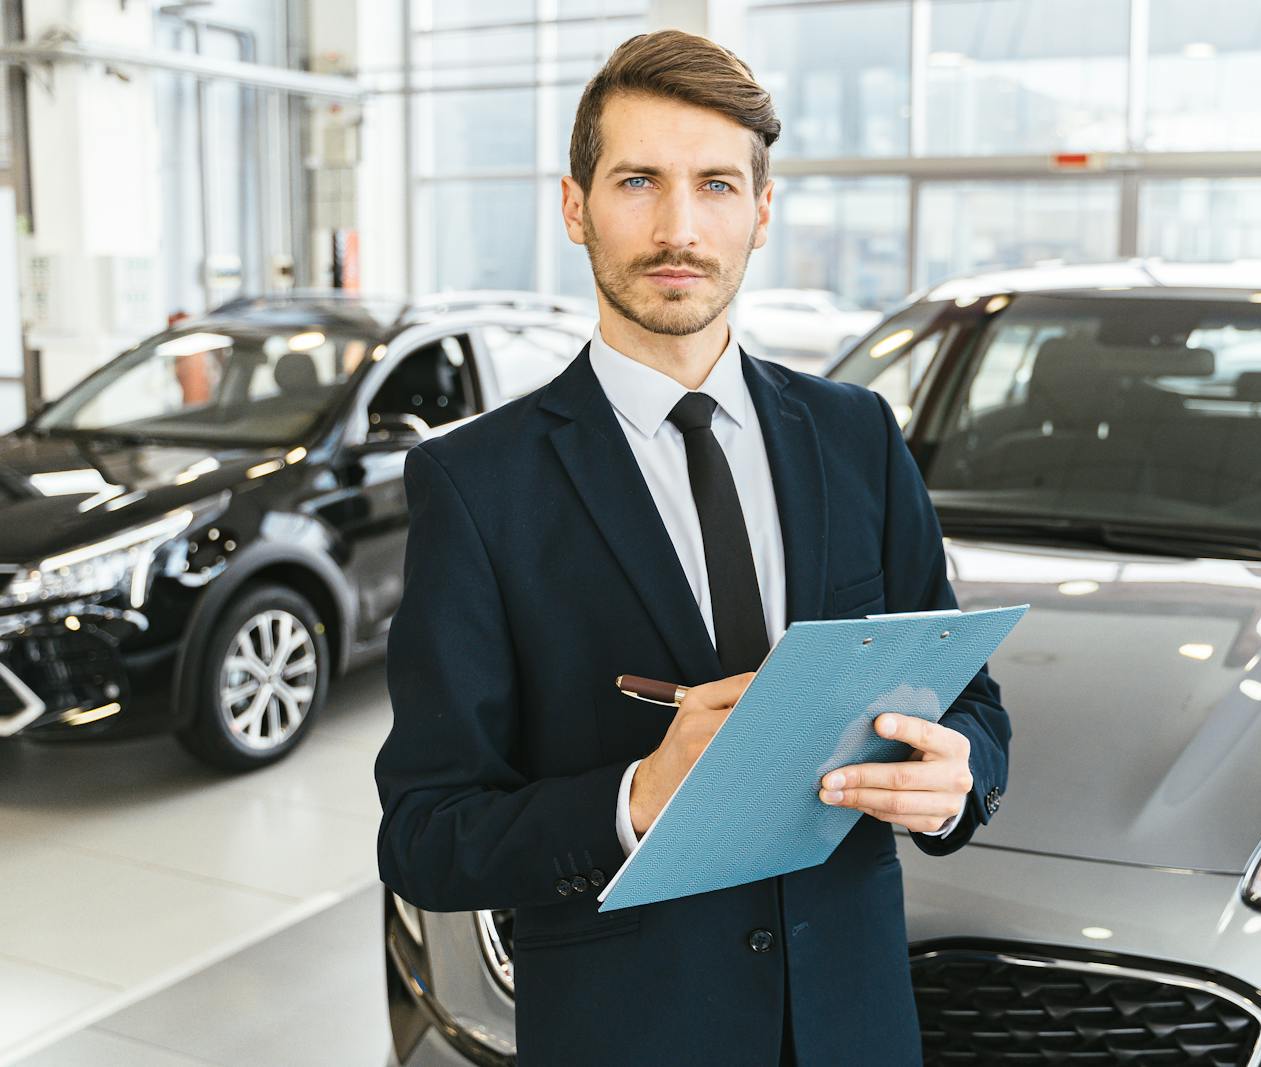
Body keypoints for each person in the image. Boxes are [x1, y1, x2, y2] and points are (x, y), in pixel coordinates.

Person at [373, 28, 1010, 1066]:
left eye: (715, 184)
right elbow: (427, 837)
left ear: (759, 213)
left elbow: (973, 703)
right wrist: (633, 799)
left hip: (852, 1028)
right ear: (576, 206)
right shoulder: (476, 485)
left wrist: (959, 779)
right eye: (637, 181)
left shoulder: (855, 435)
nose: (678, 227)